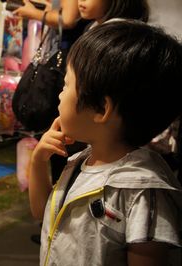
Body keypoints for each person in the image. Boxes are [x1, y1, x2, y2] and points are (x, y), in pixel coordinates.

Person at [29, 21, 182, 266]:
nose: (60, 93)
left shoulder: (141, 190)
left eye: (67, 84)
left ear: (101, 108)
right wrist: (38, 162)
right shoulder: (80, 162)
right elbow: (44, 214)